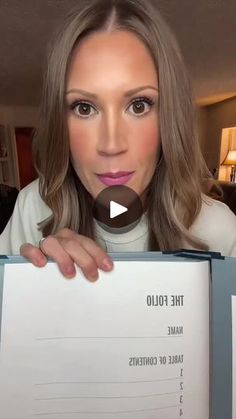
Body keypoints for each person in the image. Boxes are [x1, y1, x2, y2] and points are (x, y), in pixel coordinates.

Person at [0, 0, 235, 280]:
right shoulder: (32, 208)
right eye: (84, 108)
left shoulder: (218, 228)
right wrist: (25, 287)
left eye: (139, 105)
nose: (111, 145)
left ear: (169, 118)